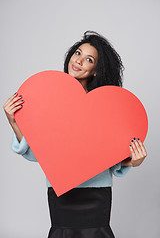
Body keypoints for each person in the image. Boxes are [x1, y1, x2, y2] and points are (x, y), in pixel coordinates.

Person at [3, 30, 147, 238]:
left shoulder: (106, 107)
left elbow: (108, 157)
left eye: (89, 59)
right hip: (61, 193)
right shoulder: (49, 100)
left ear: (96, 70)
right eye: (77, 53)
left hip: (96, 194)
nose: (78, 60)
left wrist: (133, 161)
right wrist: (14, 122)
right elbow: (39, 155)